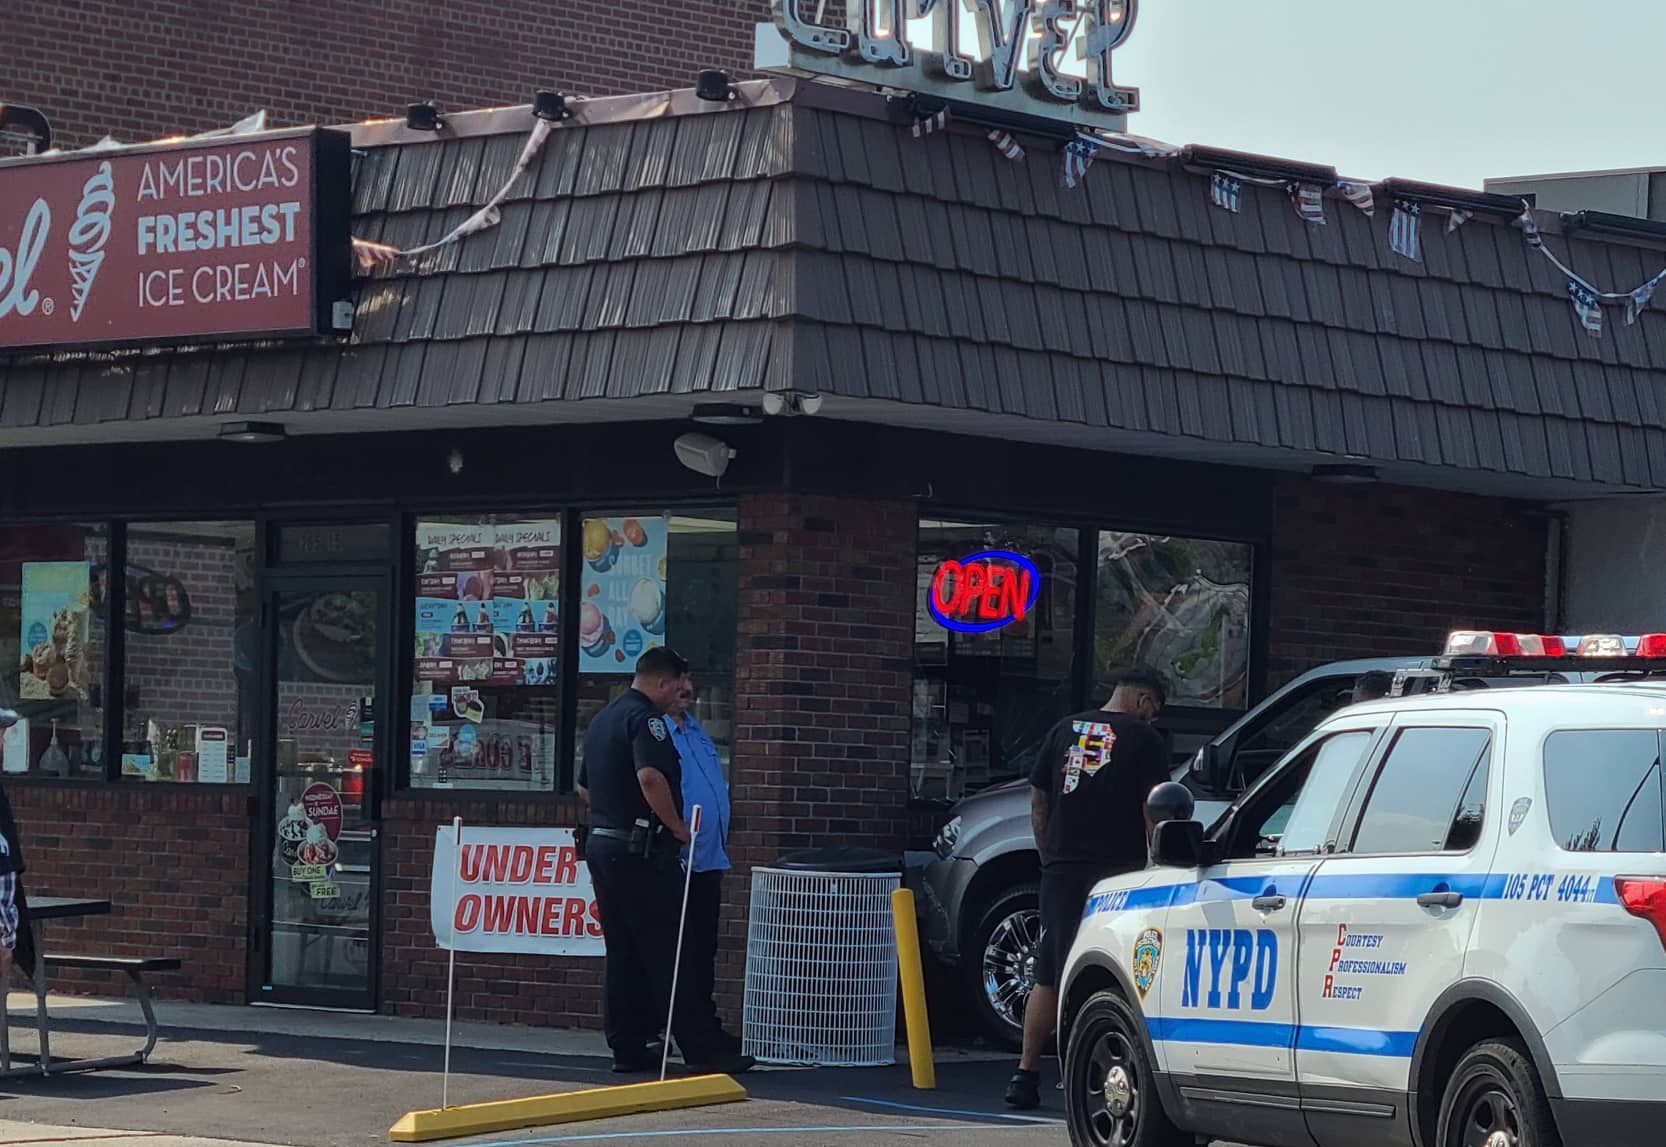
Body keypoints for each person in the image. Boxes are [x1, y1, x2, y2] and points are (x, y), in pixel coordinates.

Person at [577, 651, 753, 1076]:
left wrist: (616, 814)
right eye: (678, 685)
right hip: (640, 852)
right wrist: (674, 826)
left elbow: (584, 787)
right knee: (670, 951)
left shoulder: (604, 719)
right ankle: (701, 1046)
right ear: (660, 684)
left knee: (624, 952)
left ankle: (628, 1045)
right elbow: (651, 777)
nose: (683, 692)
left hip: (605, 845)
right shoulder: (646, 719)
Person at [1006, 669, 1171, 1110]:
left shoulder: (1064, 730)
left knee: (1050, 969)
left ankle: (1024, 1074)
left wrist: (1048, 854)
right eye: (1154, 707)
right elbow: (1152, 808)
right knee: (1115, 972)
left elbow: (1039, 800)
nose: (1153, 717)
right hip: (1118, 873)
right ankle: (1090, 1071)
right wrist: (1161, 861)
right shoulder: (1142, 738)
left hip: (1062, 868)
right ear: (1141, 700)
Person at [667, 676, 742, 1052]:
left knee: (703, 949)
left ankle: (705, 1027)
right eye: (677, 682)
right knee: (681, 951)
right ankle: (684, 1032)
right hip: (677, 860)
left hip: (709, 858)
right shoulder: (654, 732)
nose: (687, 689)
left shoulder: (696, 731)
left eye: (690, 682)